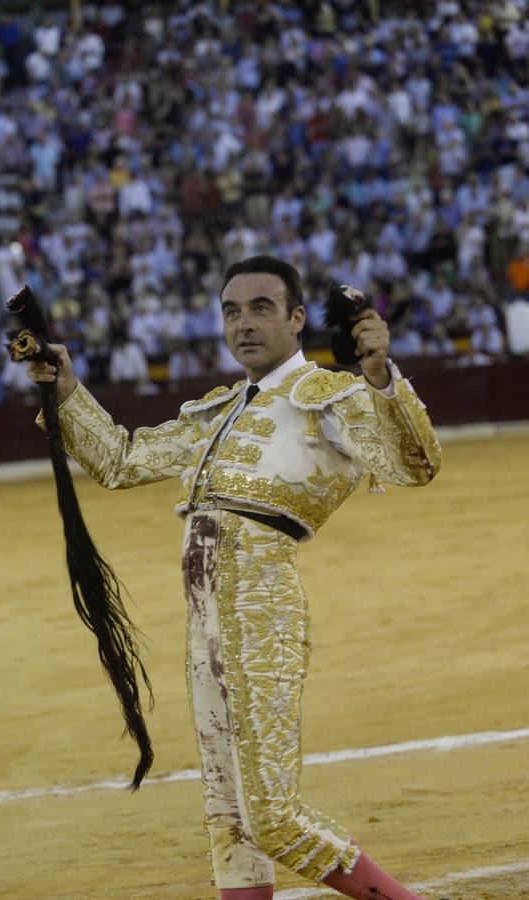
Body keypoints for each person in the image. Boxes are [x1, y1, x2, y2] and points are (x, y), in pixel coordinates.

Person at [27, 256, 446, 900]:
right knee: (229, 818)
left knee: (272, 817)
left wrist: (381, 378)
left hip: (261, 603)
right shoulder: (217, 409)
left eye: (261, 308)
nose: (243, 323)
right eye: (231, 310)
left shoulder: (331, 396)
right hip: (204, 618)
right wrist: (66, 391)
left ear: (297, 319)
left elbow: (414, 465)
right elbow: (120, 460)